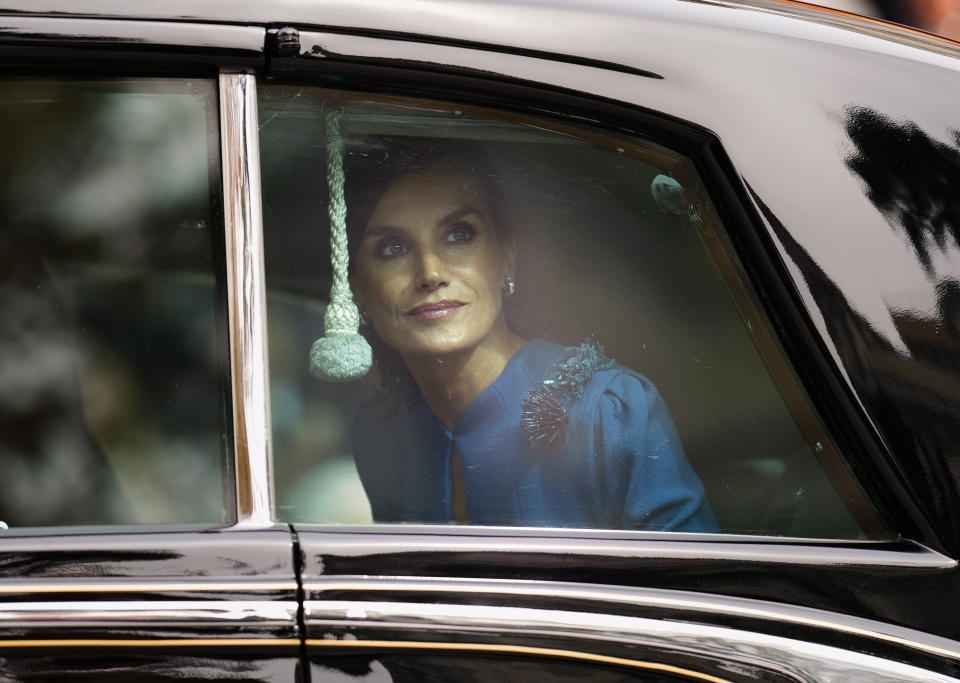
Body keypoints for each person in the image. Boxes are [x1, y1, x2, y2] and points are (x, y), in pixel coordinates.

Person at [344, 137, 717, 531]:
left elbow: (698, 583)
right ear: (358, 292)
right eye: (392, 247)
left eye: (459, 234)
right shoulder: (382, 431)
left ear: (507, 259)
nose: (431, 273)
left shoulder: (609, 412)